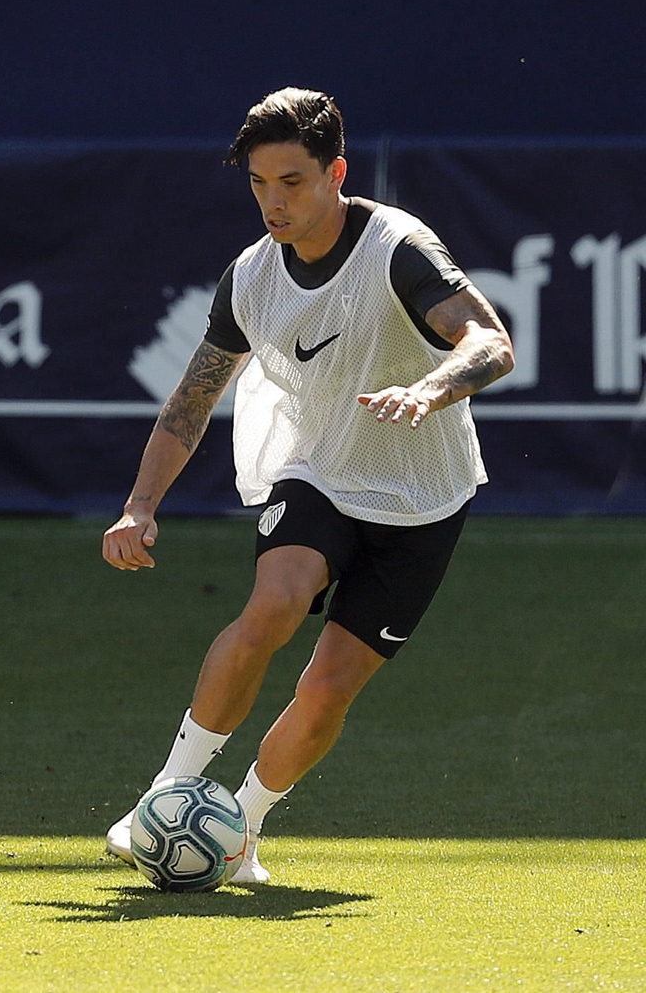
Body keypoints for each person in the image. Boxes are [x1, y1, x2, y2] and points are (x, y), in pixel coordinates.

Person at [101, 88, 514, 883]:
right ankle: (163, 795)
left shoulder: (398, 247)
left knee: (327, 689)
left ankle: (240, 829)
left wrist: (432, 389)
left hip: (425, 492)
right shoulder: (250, 277)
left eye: (292, 181)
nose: (273, 202)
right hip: (315, 465)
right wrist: (140, 504)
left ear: (337, 173)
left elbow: (492, 344)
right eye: (259, 183)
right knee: (276, 599)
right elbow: (193, 397)